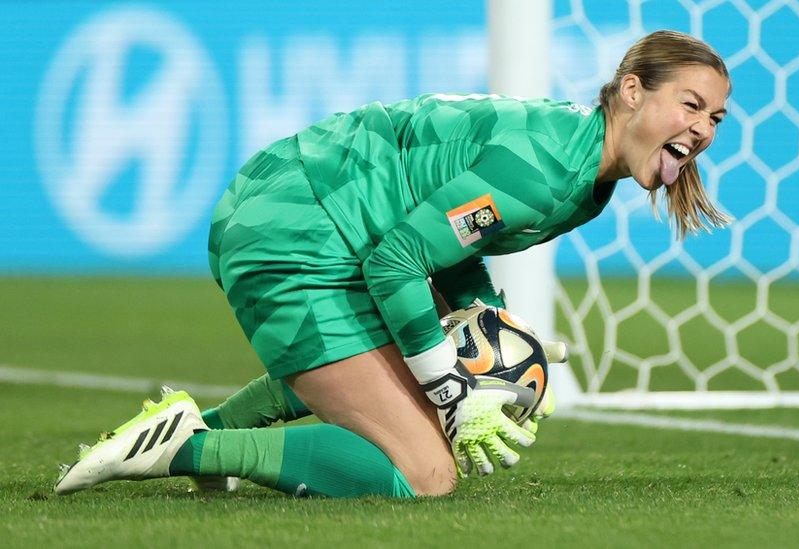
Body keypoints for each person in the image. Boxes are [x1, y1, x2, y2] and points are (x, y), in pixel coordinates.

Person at [54, 30, 731, 499]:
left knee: (427, 353)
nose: (702, 129)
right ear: (633, 90)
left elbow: (444, 246)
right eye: (691, 105)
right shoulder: (549, 170)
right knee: (426, 471)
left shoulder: (585, 173)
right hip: (296, 228)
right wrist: (453, 393)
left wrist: (484, 318)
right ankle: (182, 449)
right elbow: (399, 262)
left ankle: (217, 429)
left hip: (305, 211)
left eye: (716, 119)